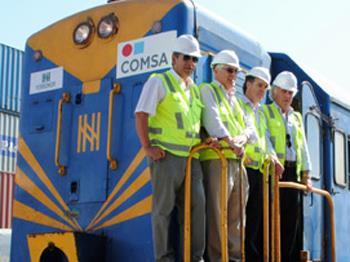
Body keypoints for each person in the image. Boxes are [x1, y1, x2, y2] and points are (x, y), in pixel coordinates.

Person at [134, 34, 205, 262]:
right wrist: (148, 147)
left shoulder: (193, 89)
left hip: (192, 158)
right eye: (186, 58)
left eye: (194, 60)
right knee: (163, 211)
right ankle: (164, 258)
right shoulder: (159, 81)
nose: (191, 64)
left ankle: (193, 257)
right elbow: (141, 114)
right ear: (174, 58)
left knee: (196, 209)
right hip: (166, 157)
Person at [200, 50, 257, 262]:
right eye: (229, 70)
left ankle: (233, 257)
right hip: (217, 161)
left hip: (236, 161)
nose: (233, 75)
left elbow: (251, 129)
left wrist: (242, 138)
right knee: (217, 215)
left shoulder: (235, 100)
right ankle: (218, 258)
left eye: (236, 71)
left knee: (236, 216)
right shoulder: (208, 90)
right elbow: (212, 120)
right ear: (216, 70)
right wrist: (231, 141)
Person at [263, 71, 312, 262]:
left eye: (291, 93)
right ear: (274, 92)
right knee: (274, 219)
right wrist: (273, 158)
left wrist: (306, 174)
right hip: (274, 173)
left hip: (293, 173)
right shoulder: (265, 112)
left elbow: (303, 146)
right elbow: (264, 138)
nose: (287, 96)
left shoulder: (297, 118)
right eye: (284, 91)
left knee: (293, 222)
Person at [238, 67, 284, 261]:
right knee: (240, 219)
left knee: (256, 219)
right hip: (242, 168)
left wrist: (273, 157)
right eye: (259, 85)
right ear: (248, 83)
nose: (262, 90)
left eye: (265, 87)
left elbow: (265, 139)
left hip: (259, 170)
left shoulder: (260, 113)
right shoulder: (238, 105)